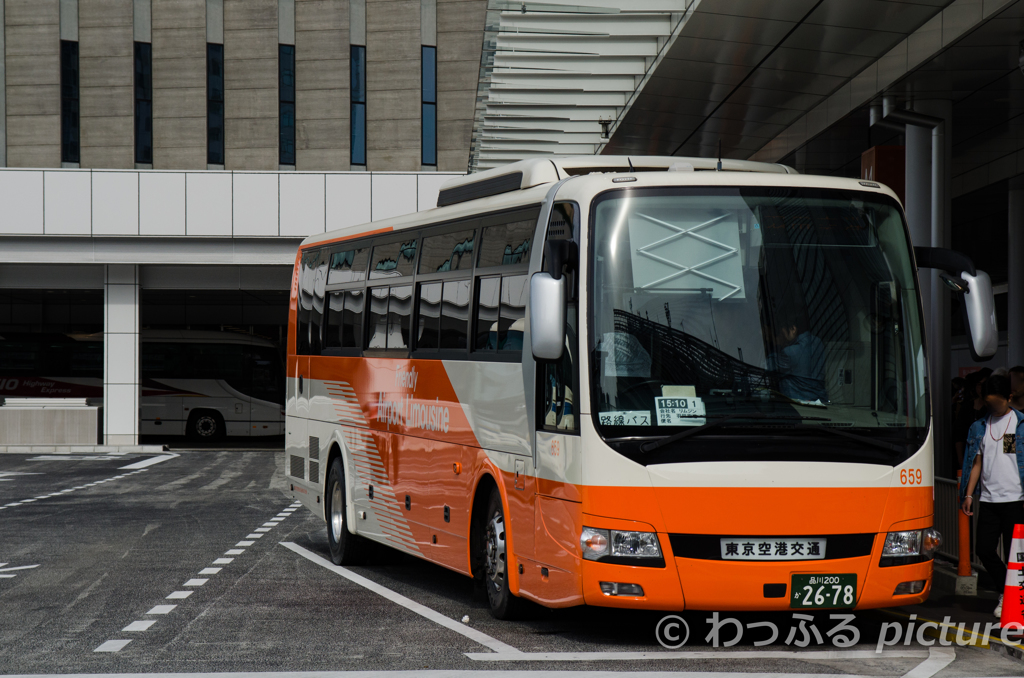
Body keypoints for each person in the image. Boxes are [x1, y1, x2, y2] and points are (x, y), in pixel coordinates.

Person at [960, 374, 1024, 618]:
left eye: (997, 403)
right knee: (984, 549)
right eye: (989, 404)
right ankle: (1006, 591)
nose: (993, 408)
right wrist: (968, 494)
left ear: (1009, 398)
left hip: (1015, 500)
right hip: (988, 500)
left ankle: (1014, 600)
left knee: (1013, 554)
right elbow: (976, 463)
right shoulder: (979, 427)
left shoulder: (1020, 424)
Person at [767, 314, 827, 403]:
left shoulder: (790, 352)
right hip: (819, 401)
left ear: (793, 329)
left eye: (783, 334)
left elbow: (769, 366)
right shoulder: (818, 343)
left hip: (798, 403)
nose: (783, 338)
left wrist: (777, 345)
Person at [954, 368, 992, 468]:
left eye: (985, 384)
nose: (981, 388)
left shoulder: (994, 409)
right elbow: (959, 435)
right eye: (979, 384)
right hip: (969, 456)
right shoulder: (967, 406)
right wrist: (960, 460)